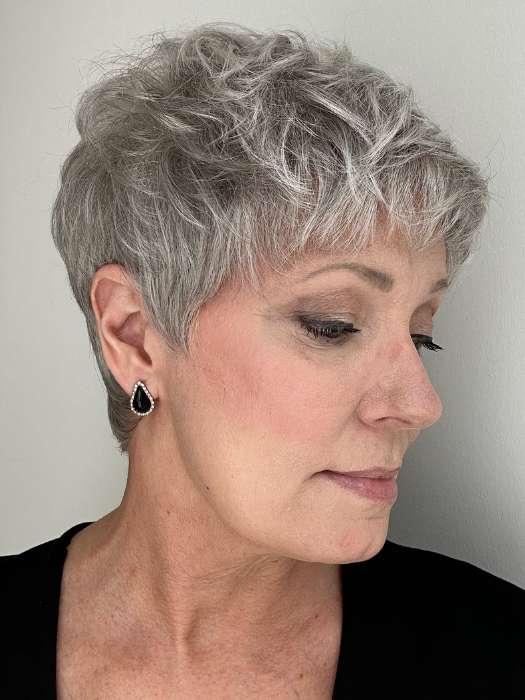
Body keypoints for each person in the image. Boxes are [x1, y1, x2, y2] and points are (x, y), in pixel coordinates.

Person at [2, 20, 524, 700]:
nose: (421, 405)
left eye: (421, 334)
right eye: (332, 325)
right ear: (133, 335)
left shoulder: (500, 659)